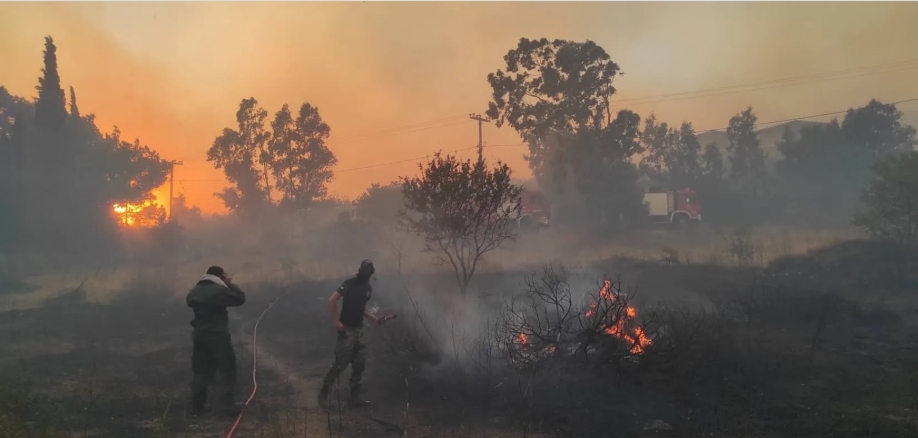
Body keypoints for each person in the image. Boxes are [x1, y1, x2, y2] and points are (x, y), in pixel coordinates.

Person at [318, 259, 387, 409]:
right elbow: (332, 300)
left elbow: (361, 308)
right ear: (361, 270)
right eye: (366, 270)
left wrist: (375, 319)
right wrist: (336, 322)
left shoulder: (367, 288)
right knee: (340, 364)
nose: (368, 273)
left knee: (359, 364)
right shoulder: (349, 283)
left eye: (370, 271)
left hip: (358, 330)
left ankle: (354, 397)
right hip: (347, 330)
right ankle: (324, 394)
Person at [186, 265, 246, 416]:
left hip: (199, 336)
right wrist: (230, 284)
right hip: (218, 336)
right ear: (220, 277)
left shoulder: (194, 290)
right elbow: (239, 299)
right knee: (227, 368)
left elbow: (190, 302)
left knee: (201, 371)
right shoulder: (219, 290)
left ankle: (197, 406)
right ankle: (226, 405)